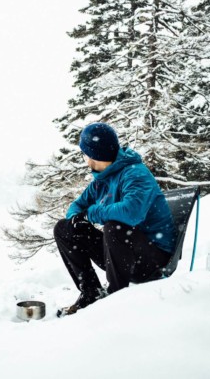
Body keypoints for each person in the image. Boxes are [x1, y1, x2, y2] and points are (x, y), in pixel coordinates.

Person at [54, 122, 175, 316]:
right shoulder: (103, 178)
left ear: (92, 155)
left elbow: (131, 212)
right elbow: (77, 207)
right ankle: (91, 293)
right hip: (122, 253)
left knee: (115, 227)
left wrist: (91, 214)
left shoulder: (135, 174)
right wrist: (77, 219)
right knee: (64, 228)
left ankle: (114, 300)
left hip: (152, 259)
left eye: (84, 152)